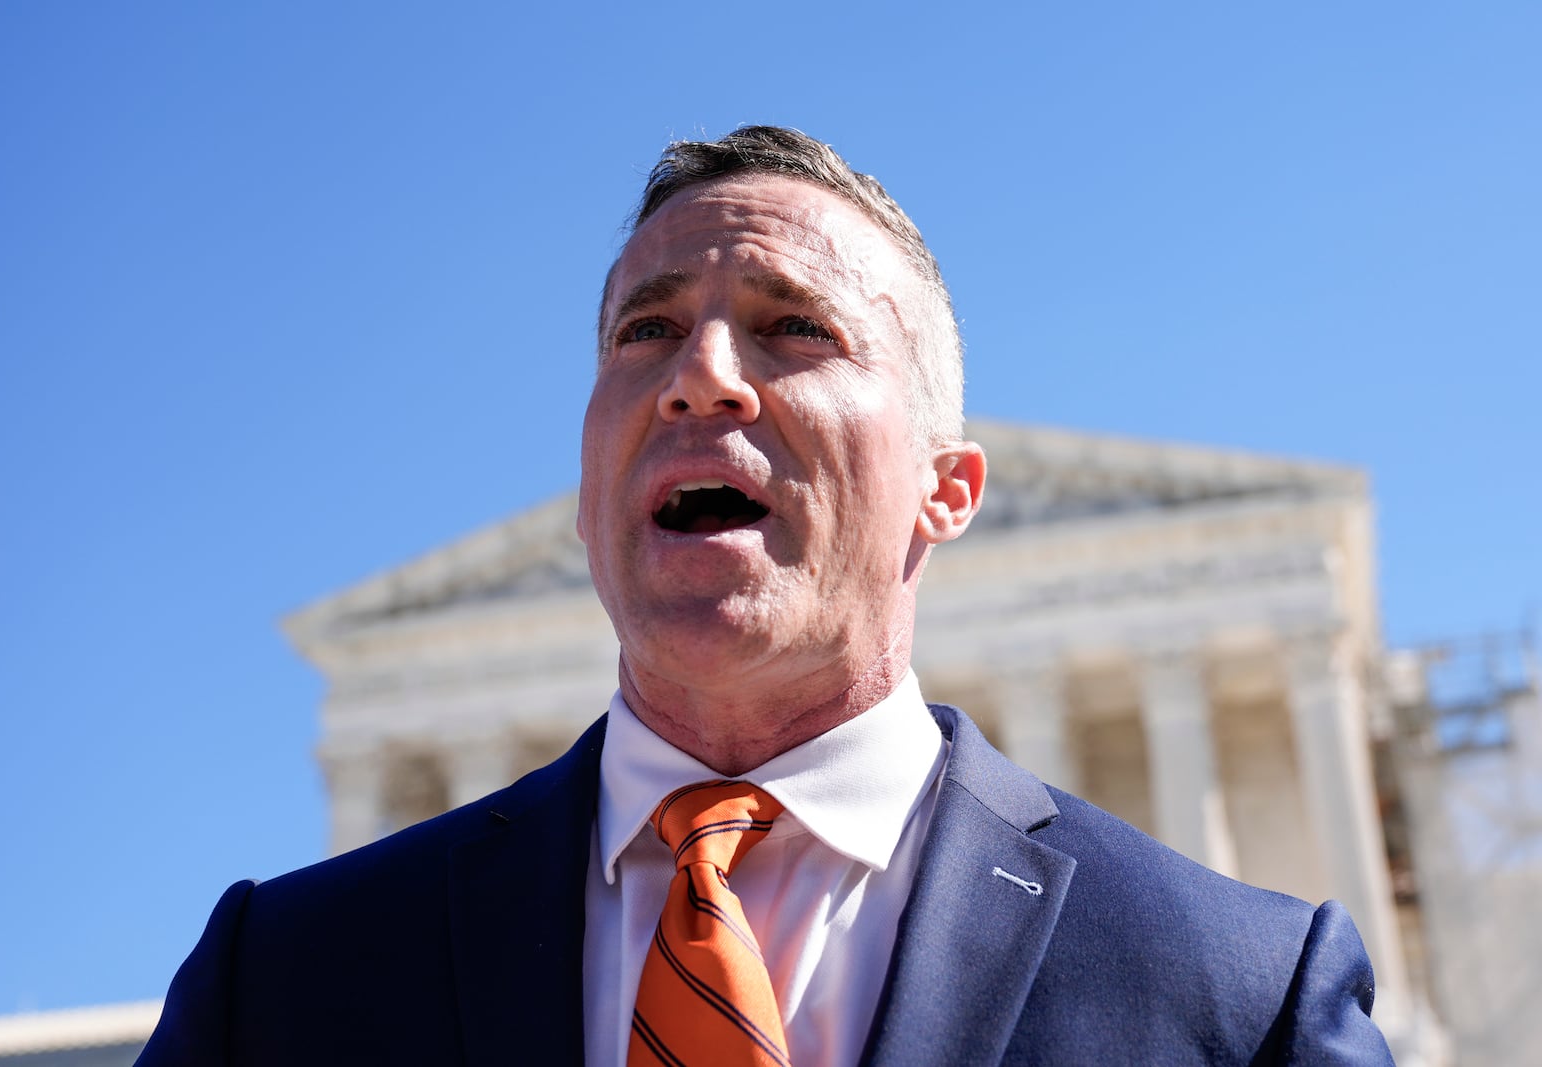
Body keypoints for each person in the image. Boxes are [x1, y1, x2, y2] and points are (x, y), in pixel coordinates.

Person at [137, 126, 1393, 1066]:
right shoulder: (284, 982)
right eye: (646, 331)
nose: (702, 378)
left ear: (947, 490)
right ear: (586, 492)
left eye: (795, 326)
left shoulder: (1239, 996)